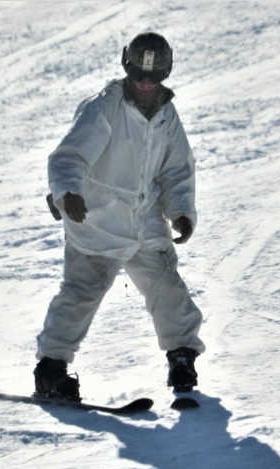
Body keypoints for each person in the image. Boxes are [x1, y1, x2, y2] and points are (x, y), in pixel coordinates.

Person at [34, 32, 205, 402]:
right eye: (138, 75)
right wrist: (68, 192)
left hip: (144, 221)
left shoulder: (166, 115)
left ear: (165, 74)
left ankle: (181, 357)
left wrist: (180, 212)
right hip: (96, 218)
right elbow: (69, 155)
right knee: (82, 293)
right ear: (126, 68)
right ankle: (50, 370)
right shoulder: (105, 107)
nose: (145, 83)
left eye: (153, 76)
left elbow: (176, 170)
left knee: (167, 287)